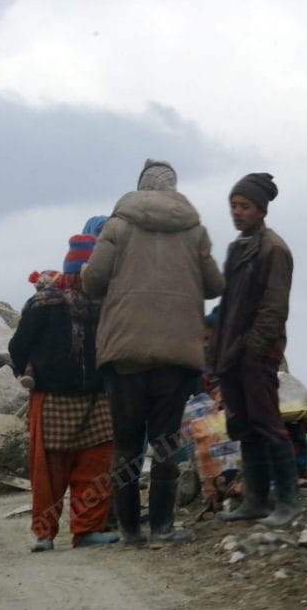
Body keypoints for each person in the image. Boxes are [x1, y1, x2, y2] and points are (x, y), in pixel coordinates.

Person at [82, 159, 224, 546]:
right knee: (164, 443)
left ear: (141, 188)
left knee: (127, 444)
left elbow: (93, 280)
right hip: (175, 357)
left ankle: (129, 530)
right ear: (174, 190)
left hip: (125, 353)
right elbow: (214, 285)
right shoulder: (195, 231)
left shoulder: (117, 226)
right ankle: (162, 527)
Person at [8, 236, 118, 552]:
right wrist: (32, 373)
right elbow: (18, 347)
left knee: (95, 466)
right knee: (48, 472)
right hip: (52, 398)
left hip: (97, 398)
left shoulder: (104, 305)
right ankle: (45, 534)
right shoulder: (44, 305)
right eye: (81, 273)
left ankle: (87, 530)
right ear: (71, 272)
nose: (85, 281)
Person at [211, 172, 300, 528]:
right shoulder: (238, 247)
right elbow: (229, 302)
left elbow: (274, 309)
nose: (237, 212)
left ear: (261, 210)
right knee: (244, 425)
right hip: (231, 353)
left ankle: (289, 502)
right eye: (233, 205)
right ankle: (256, 500)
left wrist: (252, 350)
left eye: (244, 206)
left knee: (268, 423)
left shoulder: (273, 249)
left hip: (256, 354)